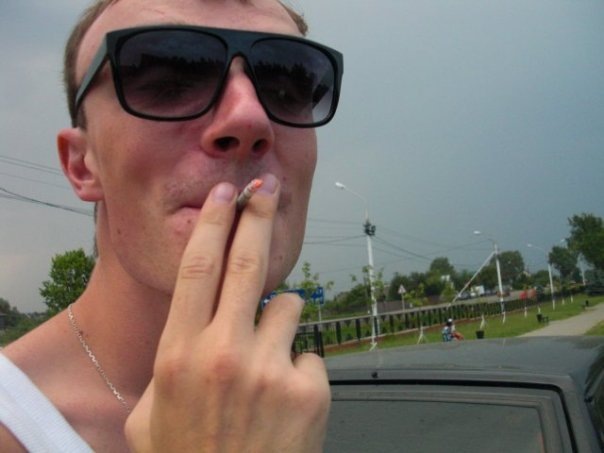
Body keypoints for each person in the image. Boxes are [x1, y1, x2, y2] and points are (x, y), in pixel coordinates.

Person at [0, 0, 343, 451]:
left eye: (286, 87)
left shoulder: (297, 404)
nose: (250, 118)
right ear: (82, 165)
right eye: (169, 83)